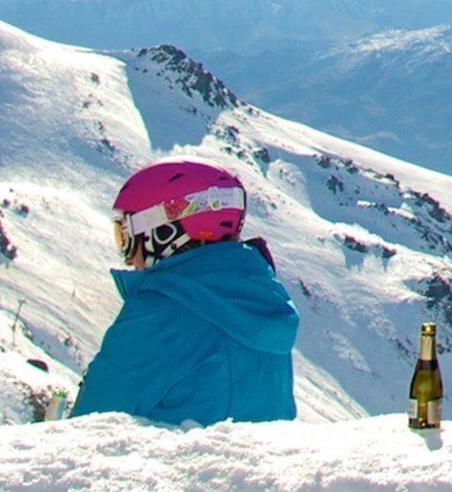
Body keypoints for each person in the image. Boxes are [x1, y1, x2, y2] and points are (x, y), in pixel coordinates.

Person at [72, 159, 301, 426]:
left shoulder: (160, 313)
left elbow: (88, 424)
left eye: (125, 236)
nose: (128, 258)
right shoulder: (264, 299)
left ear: (163, 231)